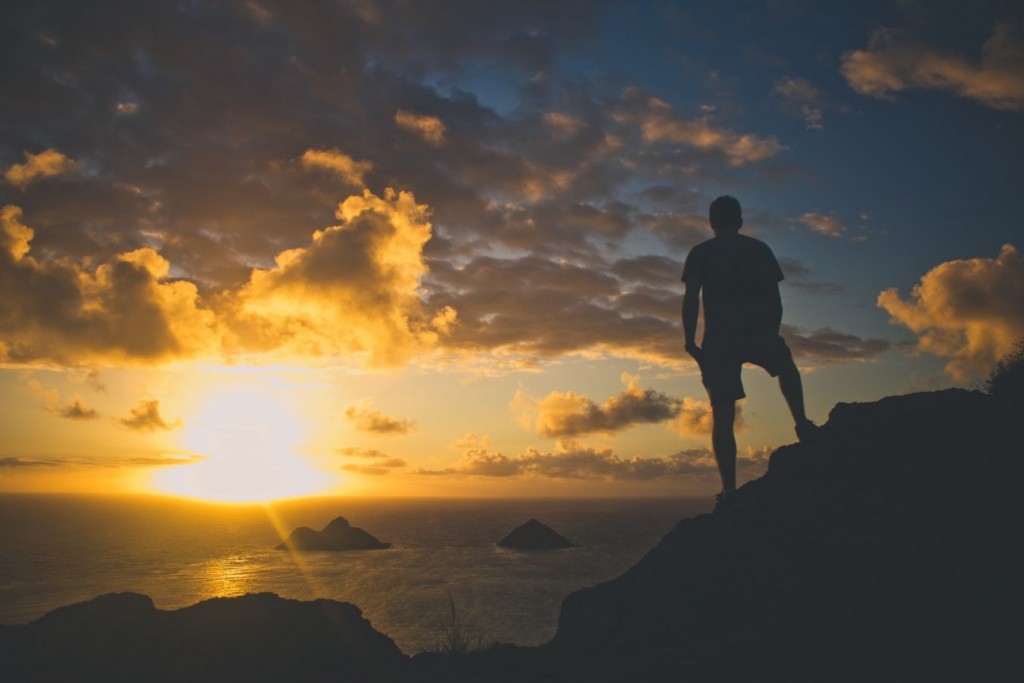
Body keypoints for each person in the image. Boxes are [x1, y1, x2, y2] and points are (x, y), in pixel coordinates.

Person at [681, 196, 818, 503]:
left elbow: (691, 298)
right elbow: (775, 298)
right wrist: (771, 332)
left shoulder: (701, 252)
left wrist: (690, 342)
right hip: (758, 331)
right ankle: (802, 423)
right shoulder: (759, 250)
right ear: (740, 221)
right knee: (787, 368)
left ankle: (729, 489)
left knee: (723, 415)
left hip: (719, 339)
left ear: (712, 222)